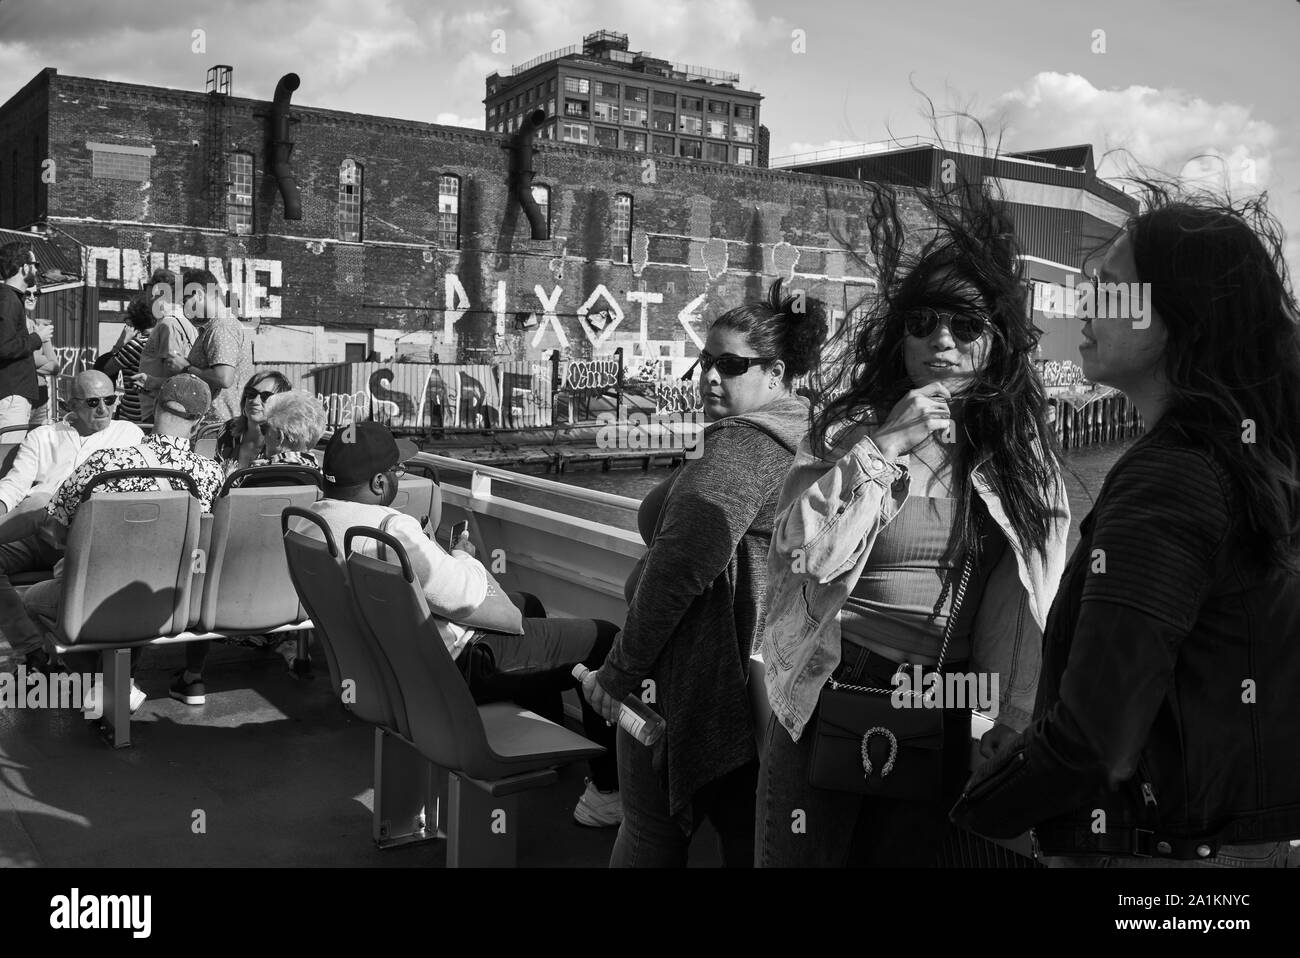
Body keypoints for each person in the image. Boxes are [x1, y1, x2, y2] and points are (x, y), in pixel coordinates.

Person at [950, 187, 1300, 868]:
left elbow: (1096, 740)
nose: (1085, 306)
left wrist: (978, 810)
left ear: (1181, 314)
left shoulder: (1171, 478)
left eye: (1109, 291)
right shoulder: (1257, 459)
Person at [756, 178, 1071, 867]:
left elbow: (1030, 600)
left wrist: (1014, 714)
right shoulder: (851, 432)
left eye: (966, 326)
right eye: (922, 323)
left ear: (996, 343)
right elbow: (802, 553)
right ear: (898, 339)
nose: (942, 343)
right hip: (834, 686)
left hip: (942, 700)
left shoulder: (1018, 461)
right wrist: (884, 449)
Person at [579, 280, 827, 867]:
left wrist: (618, 675)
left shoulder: (746, 445)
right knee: (747, 840)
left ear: (776, 372)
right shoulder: (798, 435)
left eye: (732, 365)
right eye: (706, 362)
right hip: (755, 685)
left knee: (648, 837)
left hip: (686, 684)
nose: (711, 376)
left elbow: (679, 567)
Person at [291, 422, 624, 826]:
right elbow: (465, 597)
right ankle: (607, 794)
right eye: (397, 471)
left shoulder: (308, 523)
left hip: (388, 672)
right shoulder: (389, 531)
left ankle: (546, 745)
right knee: (605, 639)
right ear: (379, 482)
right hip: (450, 673)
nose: (400, 477)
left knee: (529, 604)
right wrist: (464, 555)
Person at [25, 374, 223, 712]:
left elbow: (58, 532)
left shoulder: (105, 463)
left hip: (98, 596)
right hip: (171, 601)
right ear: (200, 421)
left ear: (156, 406)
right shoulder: (211, 474)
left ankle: (103, 685)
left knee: (32, 599)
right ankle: (116, 685)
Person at [0, 371, 143, 673]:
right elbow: (14, 485)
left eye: (110, 399)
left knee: (40, 505)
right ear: (70, 404)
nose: (104, 409)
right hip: (40, 532)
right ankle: (32, 649)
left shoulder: (128, 433)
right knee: (40, 504)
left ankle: (96, 674)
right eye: (93, 402)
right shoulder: (43, 436)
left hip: (94, 537)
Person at [171, 267, 253, 439]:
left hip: (217, 429)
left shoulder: (221, 327)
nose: (184, 310)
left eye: (184, 301)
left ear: (199, 294)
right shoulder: (218, 326)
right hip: (218, 427)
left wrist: (186, 368)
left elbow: (224, 378)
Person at [0, 242, 53, 443]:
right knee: (7, 460)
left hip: (12, 394)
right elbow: (4, 348)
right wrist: (37, 338)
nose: (37, 269)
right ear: (24, 267)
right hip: (11, 396)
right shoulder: (8, 300)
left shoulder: (10, 298)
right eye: (35, 264)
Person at [132, 268, 195, 423]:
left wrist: (149, 383)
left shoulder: (169, 324)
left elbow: (175, 378)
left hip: (160, 412)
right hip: (163, 411)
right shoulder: (178, 320)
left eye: (146, 287)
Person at [213, 371, 291, 475]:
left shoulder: (284, 441)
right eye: (251, 393)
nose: (255, 401)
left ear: (282, 404)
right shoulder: (228, 429)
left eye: (266, 396)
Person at [101, 293, 156, 424]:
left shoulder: (136, 346)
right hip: (156, 414)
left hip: (134, 418)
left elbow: (104, 371)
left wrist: (122, 341)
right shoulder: (165, 344)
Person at [253, 390, 325, 469]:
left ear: (279, 437)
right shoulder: (317, 472)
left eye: (264, 428)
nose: (263, 436)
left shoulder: (255, 475)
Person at [25, 289, 58, 428]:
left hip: (41, 394)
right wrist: (40, 359)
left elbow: (54, 366)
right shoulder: (10, 326)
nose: (32, 298)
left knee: (37, 443)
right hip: (20, 394)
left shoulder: (36, 325)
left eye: (36, 294)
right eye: (27, 293)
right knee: (12, 445)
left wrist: (43, 337)